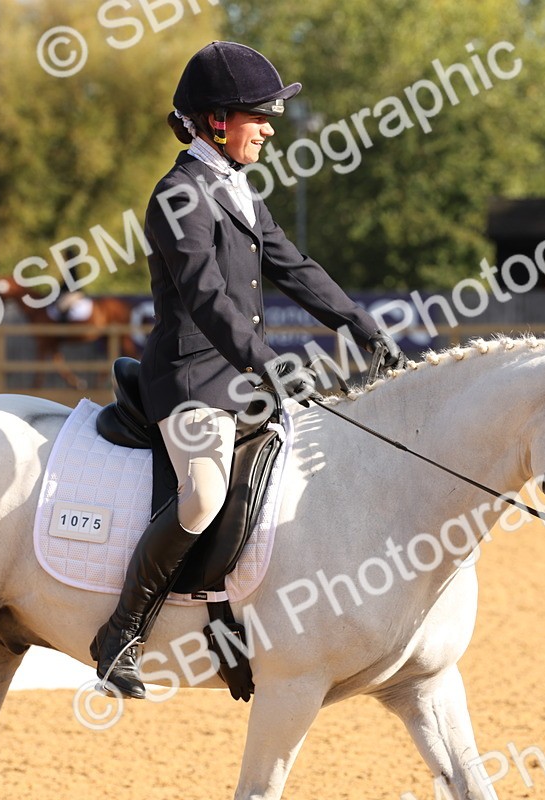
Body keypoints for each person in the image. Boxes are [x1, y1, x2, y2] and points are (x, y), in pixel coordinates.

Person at [91, 41, 405, 698]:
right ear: (216, 122)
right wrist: (268, 365)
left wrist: (355, 320)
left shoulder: (238, 188)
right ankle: (122, 630)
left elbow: (293, 267)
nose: (269, 127)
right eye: (259, 116)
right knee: (204, 497)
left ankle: (236, 626)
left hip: (240, 378)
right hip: (191, 381)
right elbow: (206, 297)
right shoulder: (178, 195)